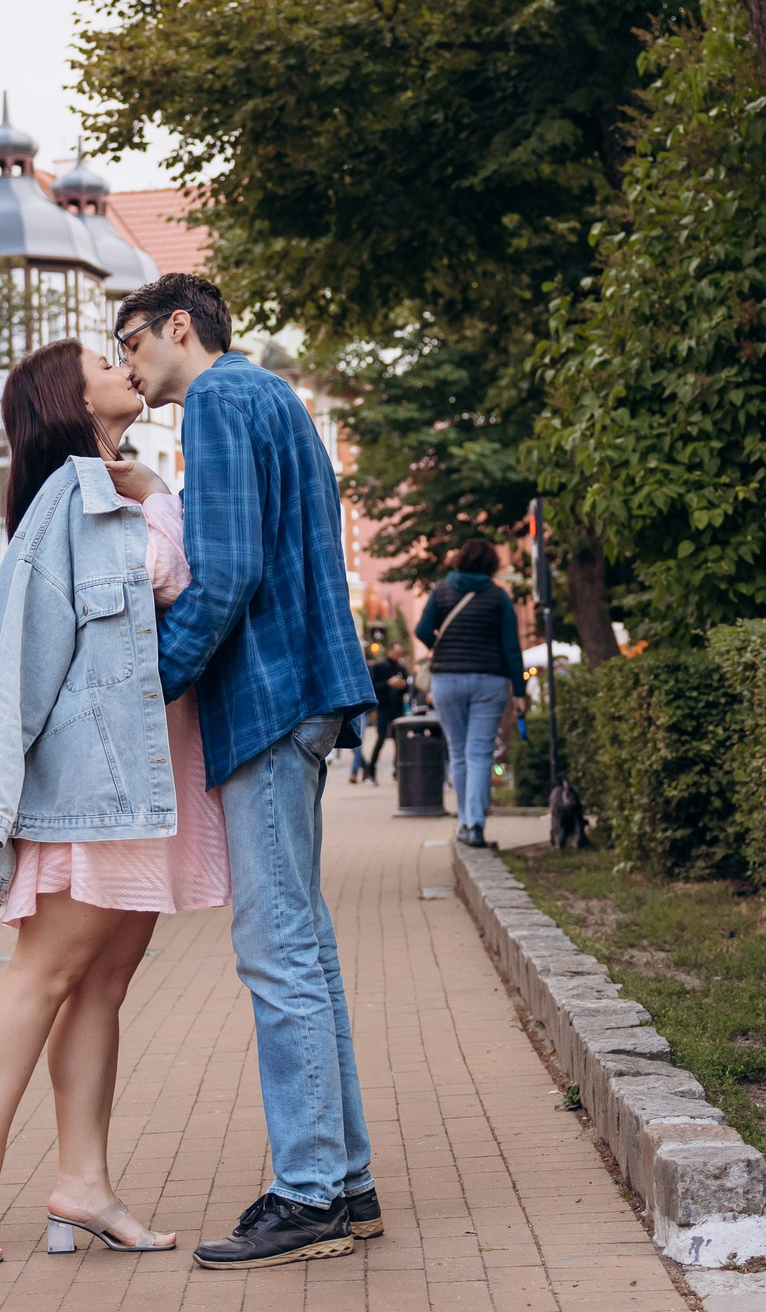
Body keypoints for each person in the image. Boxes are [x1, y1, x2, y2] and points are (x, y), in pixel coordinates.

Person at [0, 337, 224, 1267]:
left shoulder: (116, 486)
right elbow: (139, 594)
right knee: (44, 974)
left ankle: (82, 1184)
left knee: (102, 984)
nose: (123, 362)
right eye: (100, 357)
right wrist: (160, 498)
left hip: (141, 784)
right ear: (66, 397)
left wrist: (152, 489)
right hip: (96, 788)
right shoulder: (77, 497)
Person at [109, 273, 379, 1269]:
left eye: (131, 341)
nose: (127, 364)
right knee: (303, 950)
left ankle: (307, 1192)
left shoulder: (216, 401)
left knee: (277, 956)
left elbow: (224, 574)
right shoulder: (268, 396)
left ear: (180, 327)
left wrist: (149, 688)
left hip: (264, 699)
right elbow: (254, 539)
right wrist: (165, 497)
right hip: (304, 691)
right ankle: (343, 1183)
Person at [414, 540, 527, 848]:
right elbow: (511, 648)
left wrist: (440, 642)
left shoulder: (441, 591)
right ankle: (475, 824)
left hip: (447, 679)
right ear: (491, 565)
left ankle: (465, 822)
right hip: (490, 681)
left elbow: (421, 630)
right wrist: (520, 690)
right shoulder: (497, 597)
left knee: (459, 751)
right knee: (479, 753)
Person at [358, 642, 410, 787]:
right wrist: (388, 683)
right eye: (396, 652)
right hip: (384, 708)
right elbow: (373, 687)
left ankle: (398, 772)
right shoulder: (379, 667)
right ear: (390, 651)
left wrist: (402, 686)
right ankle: (371, 772)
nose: (398, 656)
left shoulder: (401, 669)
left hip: (397, 708)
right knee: (380, 739)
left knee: (399, 741)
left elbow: (407, 689)